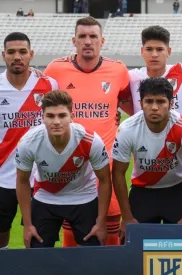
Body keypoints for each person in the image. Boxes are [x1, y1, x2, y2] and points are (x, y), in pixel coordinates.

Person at [44, 16, 131, 247]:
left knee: (110, 230)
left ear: (102, 41)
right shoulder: (55, 69)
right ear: (74, 40)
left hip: (106, 165)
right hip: (68, 164)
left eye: (93, 36)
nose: (88, 41)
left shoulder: (119, 70)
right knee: (71, 232)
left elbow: (129, 104)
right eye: (82, 36)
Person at [0, 32, 58, 250]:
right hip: (1, 175)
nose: (17, 56)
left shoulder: (49, 85)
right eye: (11, 52)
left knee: (38, 240)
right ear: (3, 55)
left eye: (22, 52)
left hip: (40, 177)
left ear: (31, 54)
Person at [15, 90, 111, 248]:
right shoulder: (28, 142)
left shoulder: (90, 140)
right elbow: (22, 181)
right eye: (50, 116)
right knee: (36, 254)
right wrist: (28, 225)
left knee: (93, 256)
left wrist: (100, 223)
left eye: (62, 115)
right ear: (42, 117)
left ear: (71, 116)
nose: (56, 121)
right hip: (46, 197)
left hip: (84, 197)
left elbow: (105, 180)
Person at [112, 77, 182, 237]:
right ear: (141, 103)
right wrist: (126, 217)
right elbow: (118, 173)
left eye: (161, 102)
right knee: (136, 249)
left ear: (171, 103)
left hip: (178, 190)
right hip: (143, 192)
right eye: (149, 101)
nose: (154, 107)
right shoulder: (127, 129)